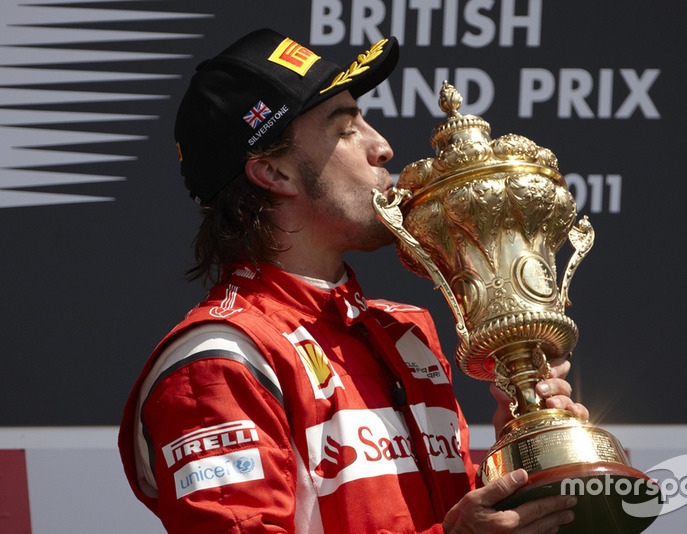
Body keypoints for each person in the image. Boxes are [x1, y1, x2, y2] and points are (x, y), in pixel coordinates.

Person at [118, 28, 589, 534]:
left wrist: (515, 461)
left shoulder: (406, 332)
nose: (382, 147)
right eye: (345, 130)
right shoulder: (218, 364)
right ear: (274, 173)